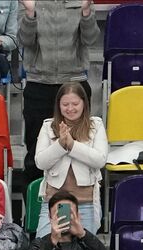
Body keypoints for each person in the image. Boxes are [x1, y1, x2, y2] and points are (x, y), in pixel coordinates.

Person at [19, 0, 98, 184]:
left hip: (74, 82)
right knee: (36, 150)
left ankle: (79, 197)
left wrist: (86, 12)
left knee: (79, 147)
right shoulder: (31, 1)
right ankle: (34, 199)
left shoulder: (81, 1)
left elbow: (91, 39)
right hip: (39, 83)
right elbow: (24, 40)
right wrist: (30, 14)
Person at [34, 82, 108, 237]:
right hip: (54, 201)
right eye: (65, 104)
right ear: (58, 105)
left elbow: (100, 160)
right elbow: (41, 162)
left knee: (85, 247)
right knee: (43, 245)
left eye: (75, 104)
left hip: (85, 201)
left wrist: (72, 145)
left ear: (84, 103)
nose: (70, 108)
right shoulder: (48, 126)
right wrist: (61, 144)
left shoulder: (96, 125)